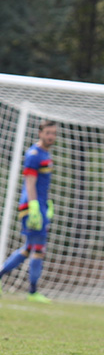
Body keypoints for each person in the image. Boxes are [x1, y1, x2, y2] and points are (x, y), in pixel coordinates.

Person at [0, 120, 58, 303]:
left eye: (54, 133)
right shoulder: (34, 154)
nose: (51, 136)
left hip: (38, 204)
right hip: (31, 206)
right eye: (48, 132)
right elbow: (30, 182)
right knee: (38, 248)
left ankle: (28, 288)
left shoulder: (45, 153)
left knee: (29, 248)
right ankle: (32, 291)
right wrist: (34, 207)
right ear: (40, 133)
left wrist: (45, 204)